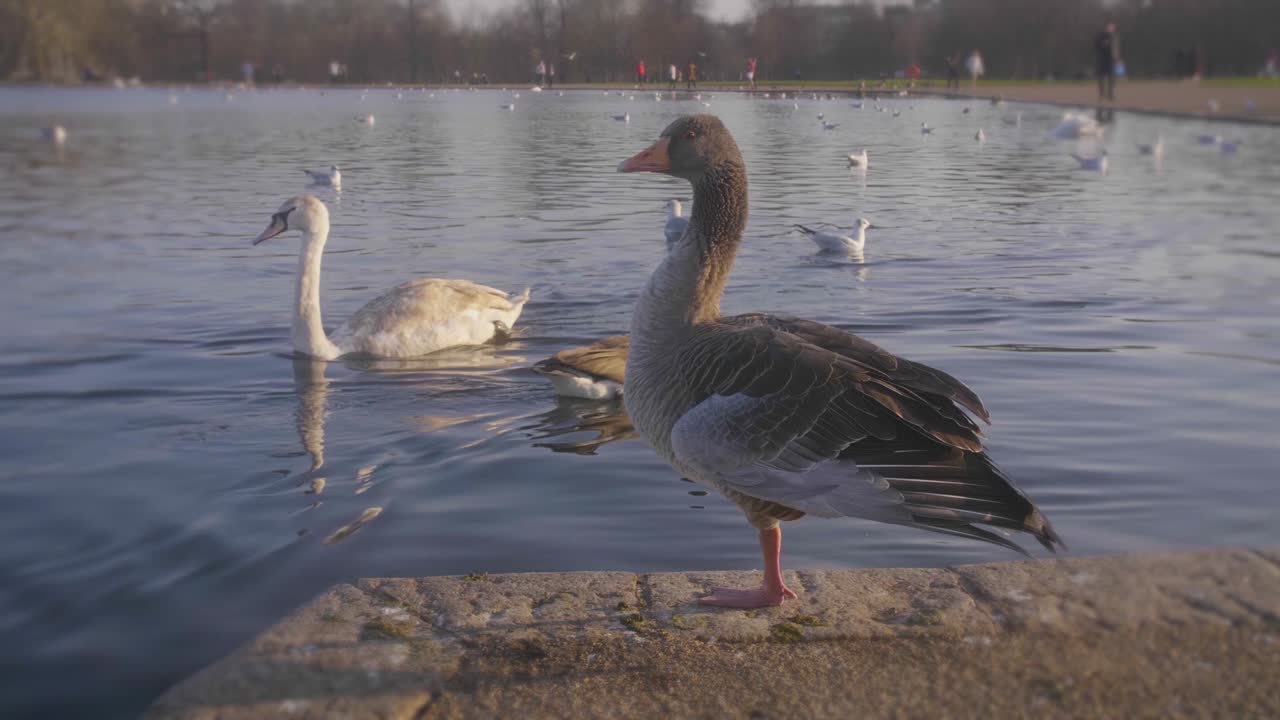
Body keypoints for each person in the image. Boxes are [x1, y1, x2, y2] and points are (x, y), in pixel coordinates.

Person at [1095, 21, 1120, 101]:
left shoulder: (1115, 37)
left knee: (1112, 78)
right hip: (1102, 59)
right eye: (1110, 27)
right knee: (1101, 77)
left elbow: (1116, 48)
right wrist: (1103, 44)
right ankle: (1101, 94)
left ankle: (1110, 95)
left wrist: (1117, 57)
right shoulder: (1101, 35)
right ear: (1107, 28)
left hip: (1111, 60)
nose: (1112, 29)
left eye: (1113, 27)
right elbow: (1096, 45)